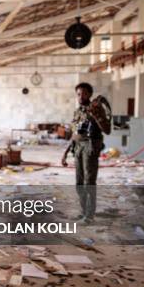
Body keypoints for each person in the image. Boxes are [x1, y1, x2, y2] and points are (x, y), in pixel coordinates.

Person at [61, 82, 104, 222]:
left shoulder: (97, 109)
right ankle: (84, 211)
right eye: (78, 94)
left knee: (89, 182)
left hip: (90, 147)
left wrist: (96, 116)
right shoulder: (78, 111)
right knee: (79, 183)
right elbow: (75, 133)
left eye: (84, 93)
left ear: (90, 94)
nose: (81, 96)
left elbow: (107, 129)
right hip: (78, 148)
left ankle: (90, 215)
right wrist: (65, 152)